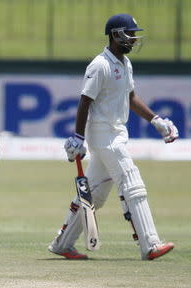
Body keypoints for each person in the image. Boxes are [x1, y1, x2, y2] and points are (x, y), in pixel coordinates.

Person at [48, 14, 178, 260]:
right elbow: (85, 101)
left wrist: (156, 120)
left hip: (117, 132)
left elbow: (130, 96)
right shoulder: (100, 65)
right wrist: (78, 136)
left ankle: (62, 244)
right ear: (115, 34)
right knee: (132, 182)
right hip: (103, 134)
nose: (133, 38)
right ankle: (150, 244)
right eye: (129, 34)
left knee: (94, 194)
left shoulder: (124, 63)